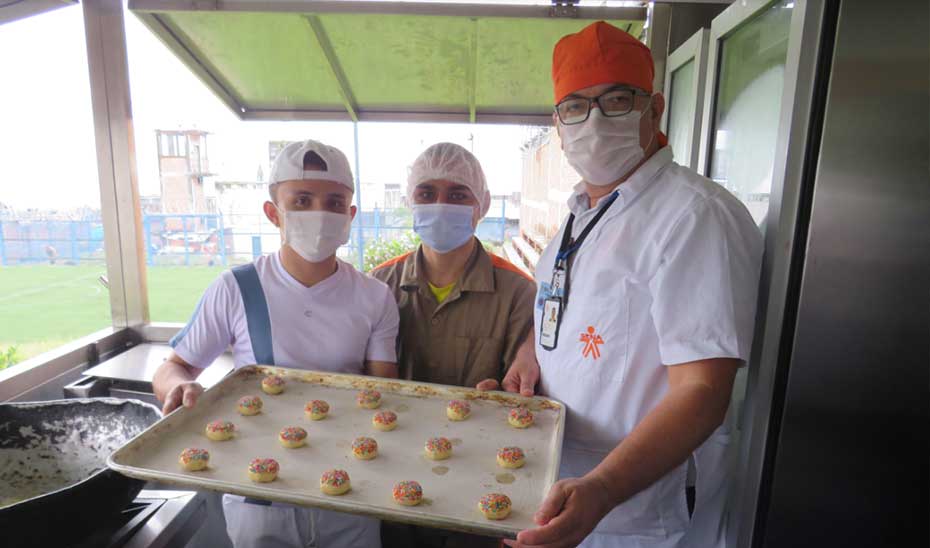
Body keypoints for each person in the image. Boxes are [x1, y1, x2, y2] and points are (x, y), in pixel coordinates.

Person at [504, 22, 764, 548]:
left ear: (656, 108)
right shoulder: (579, 214)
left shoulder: (693, 216)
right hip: (566, 490)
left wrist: (602, 489)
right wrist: (532, 353)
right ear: (558, 124)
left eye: (616, 100)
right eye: (575, 106)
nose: (594, 120)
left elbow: (703, 392)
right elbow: (568, 309)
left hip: (639, 512)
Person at [152, 139, 399, 548]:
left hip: (352, 493)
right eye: (301, 200)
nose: (319, 213)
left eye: (334, 202)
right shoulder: (236, 288)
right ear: (273, 212)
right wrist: (178, 387)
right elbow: (172, 369)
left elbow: (385, 395)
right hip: (259, 497)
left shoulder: (374, 297)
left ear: (350, 215)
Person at [371, 142, 536, 548]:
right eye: (427, 193)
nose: (441, 204)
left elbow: (531, 394)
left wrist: (508, 397)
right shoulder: (377, 286)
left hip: (480, 483)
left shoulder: (518, 292)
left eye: (458, 194)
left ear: (482, 205)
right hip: (392, 476)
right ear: (410, 201)